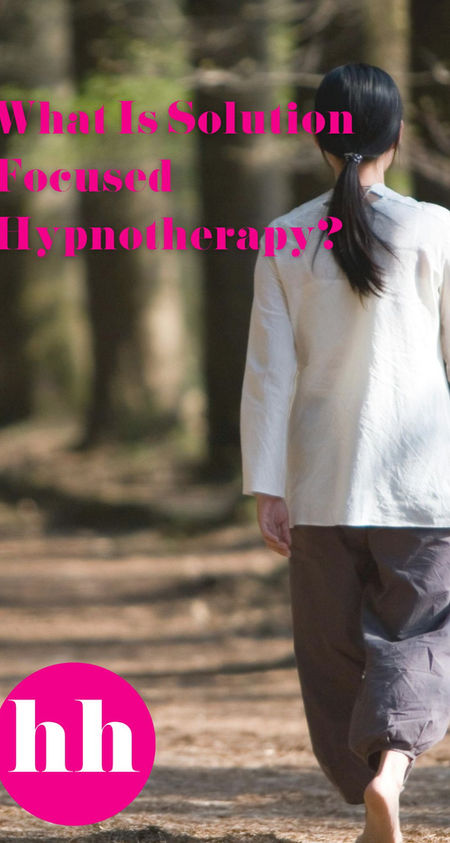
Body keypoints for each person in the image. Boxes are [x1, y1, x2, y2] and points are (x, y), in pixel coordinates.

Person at [239, 62, 450, 843]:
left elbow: (270, 369)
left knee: (330, 652)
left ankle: (364, 783)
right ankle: (393, 770)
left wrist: (267, 485)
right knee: (421, 634)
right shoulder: (435, 229)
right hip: (424, 487)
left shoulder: (286, 238)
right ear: (396, 137)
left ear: (321, 140)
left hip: (319, 484)